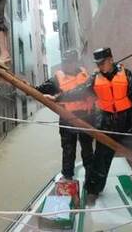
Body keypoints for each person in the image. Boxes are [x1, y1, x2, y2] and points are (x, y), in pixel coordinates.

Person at [57, 47, 132, 205]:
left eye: (102, 63)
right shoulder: (94, 78)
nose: (99, 66)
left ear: (111, 60)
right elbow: (78, 91)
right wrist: (57, 97)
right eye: (97, 64)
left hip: (127, 121)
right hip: (106, 122)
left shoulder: (126, 74)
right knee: (101, 158)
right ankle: (93, 190)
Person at [36, 50, 95, 182]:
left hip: (86, 117)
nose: (66, 65)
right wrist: (29, 88)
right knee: (68, 149)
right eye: (64, 62)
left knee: (87, 149)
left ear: (75, 62)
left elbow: (88, 92)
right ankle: (68, 177)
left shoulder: (86, 75)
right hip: (67, 118)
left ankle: (90, 177)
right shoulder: (57, 79)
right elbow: (40, 89)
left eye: (69, 62)